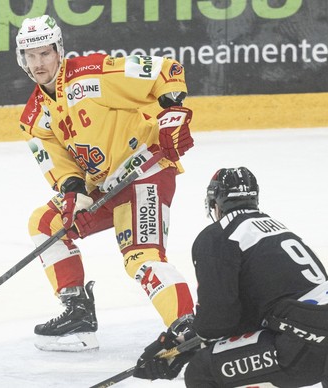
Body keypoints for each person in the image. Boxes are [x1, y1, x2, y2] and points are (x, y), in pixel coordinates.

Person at [15, 14, 196, 352]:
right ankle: (78, 314)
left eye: (45, 53)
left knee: (140, 256)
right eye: (31, 55)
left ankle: (186, 326)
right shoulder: (33, 118)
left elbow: (167, 70)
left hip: (146, 172)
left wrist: (171, 116)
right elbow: (64, 170)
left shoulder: (91, 75)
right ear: (22, 58)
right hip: (103, 188)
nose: (39, 63)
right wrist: (75, 199)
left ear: (58, 51)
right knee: (45, 223)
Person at [134, 167, 328, 387]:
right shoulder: (279, 229)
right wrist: (185, 343)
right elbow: (273, 309)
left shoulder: (218, 236)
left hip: (307, 351)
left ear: (215, 204)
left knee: (203, 371)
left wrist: (184, 347)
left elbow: (217, 323)